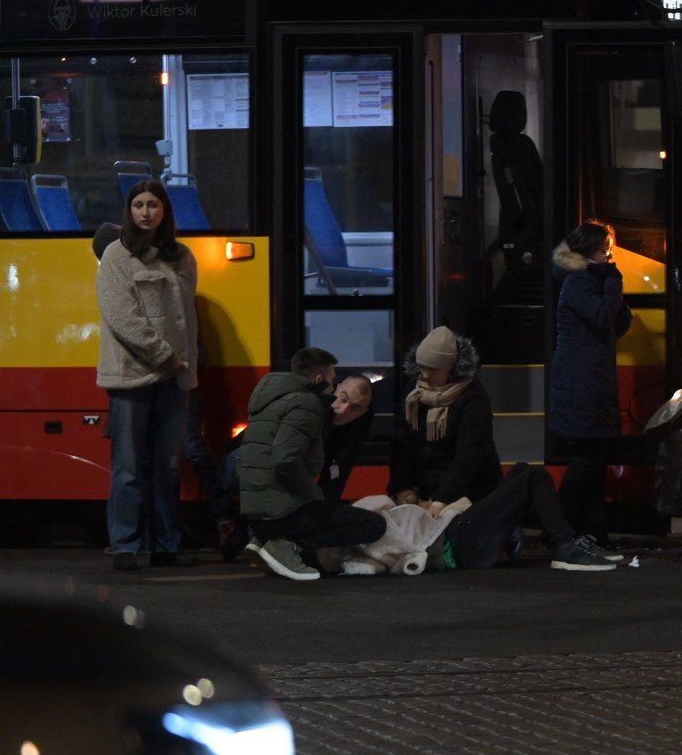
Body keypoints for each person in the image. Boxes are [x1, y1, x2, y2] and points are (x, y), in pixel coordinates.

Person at [396, 324, 616, 571]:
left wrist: (440, 501)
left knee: (526, 472)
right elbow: (403, 448)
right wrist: (403, 491)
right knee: (533, 475)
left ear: (451, 368)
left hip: (461, 503)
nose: (425, 375)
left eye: (433, 369)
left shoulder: (471, 397)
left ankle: (563, 543)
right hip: (445, 515)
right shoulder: (414, 397)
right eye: (422, 367)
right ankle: (565, 545)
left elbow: (470, 455)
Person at [96, 180, 199, 571]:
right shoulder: (117, 255)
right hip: (132, 376)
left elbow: (187, 319)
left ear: (164, 211)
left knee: (167, 467)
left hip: (175, 379)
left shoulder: (182, 256)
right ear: (130, 211)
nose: (145, 212)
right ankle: (125, 547)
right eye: (138, 204)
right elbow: (122, 317)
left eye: (152, 204)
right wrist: (165, 356)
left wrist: (184, 368)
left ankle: (166, 546)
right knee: (127, 467)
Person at [239, 348, 386, 580]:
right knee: (374, 526)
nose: (343, 408)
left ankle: (268, 540)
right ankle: (281, 544)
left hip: (262, 504)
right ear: (321, 380)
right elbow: (285, 461)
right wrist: (314, 496)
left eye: (355, 407)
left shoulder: (272, 396)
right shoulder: (308, 404)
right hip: (281, 507)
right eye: (333, 383)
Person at [218, 372, 374, 561]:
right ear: (337, 388)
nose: (343, 410)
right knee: (283, 473)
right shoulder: (312, 405)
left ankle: (263, 538)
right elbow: (280, 459)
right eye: (343, 399)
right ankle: (262, 539)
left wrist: (325, 516)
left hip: (275, 470)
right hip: (241, 460)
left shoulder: (355, 429)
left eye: (354, 408)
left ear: (363, 412)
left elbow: (337, 474)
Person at [550, 223, 635, 553]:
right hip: (579, 381)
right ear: (588, 252)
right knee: (588, 457)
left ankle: (594, 532)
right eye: (604, 249)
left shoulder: (589, 280)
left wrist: (611, 288)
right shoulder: (577, 281)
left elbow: (617, 323)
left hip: (589, 378)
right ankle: (560, 527)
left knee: (594, 457)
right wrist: (613, 284)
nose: (609, 255)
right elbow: (602, 318)